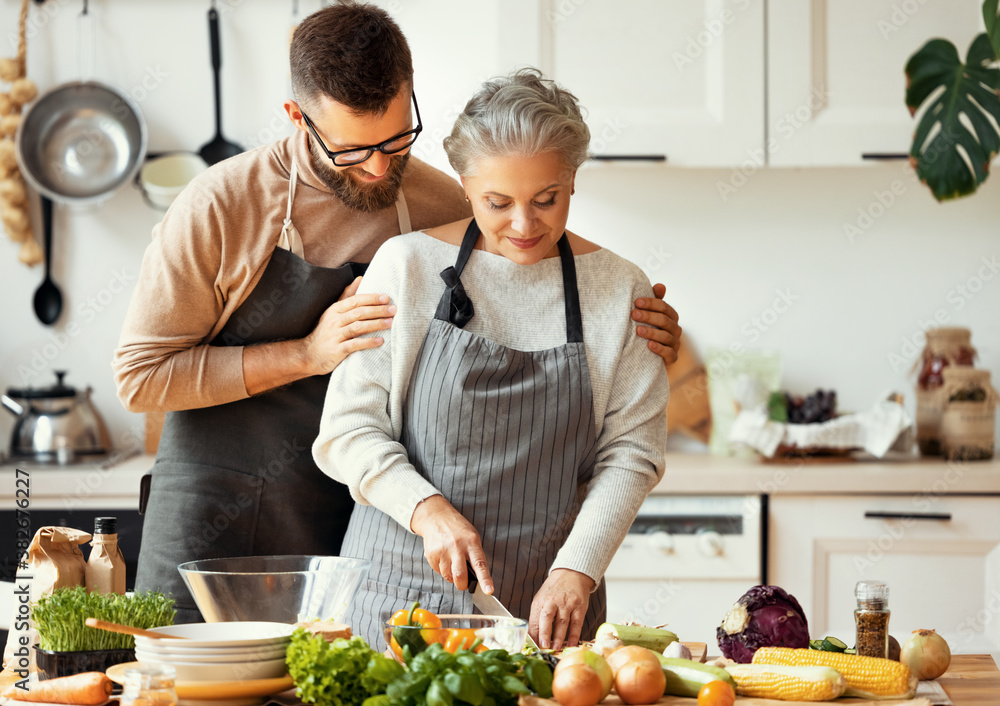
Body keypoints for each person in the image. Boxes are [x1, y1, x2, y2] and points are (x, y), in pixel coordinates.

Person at [112, 2, 680, 624]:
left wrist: (638, 326)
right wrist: (307, 355)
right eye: (354, 150)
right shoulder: (224, 205)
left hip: (354, 510)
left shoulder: (440, 201)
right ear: (298, 119)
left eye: (395, 137)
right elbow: (141, 378)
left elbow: (532, 265)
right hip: (216, 503)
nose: (381, 168)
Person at [313, 68, 670, 652]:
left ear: (573, 180)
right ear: (464, 182)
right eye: (497, 203)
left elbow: (632, 452)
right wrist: (425, 509)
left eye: (547, 199)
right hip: (397, 599)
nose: (526, 226)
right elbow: (347, 430)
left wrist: (577, 569)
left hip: (549, 609)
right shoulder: (406, 267)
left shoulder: (619, 288)